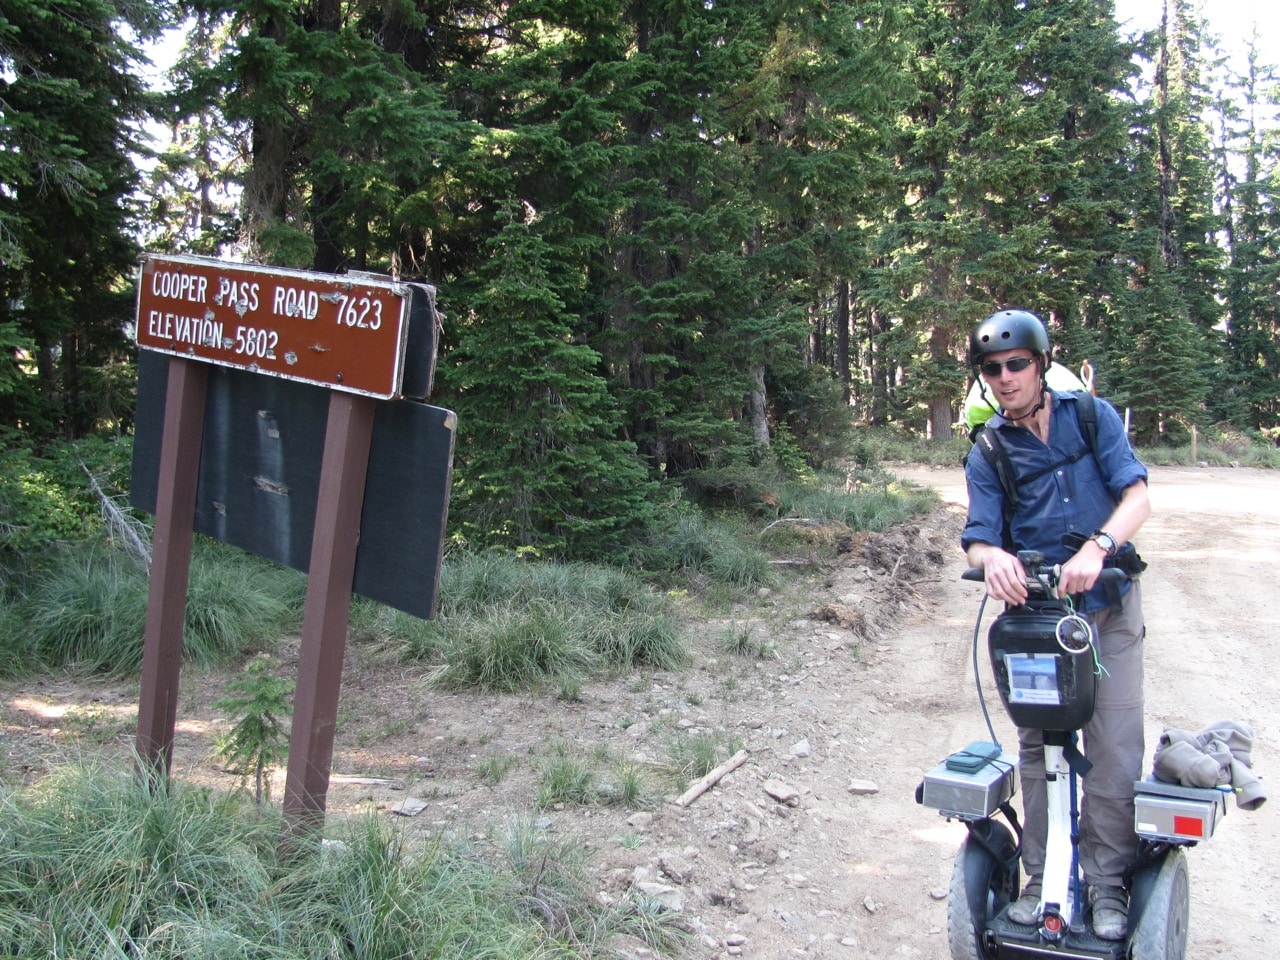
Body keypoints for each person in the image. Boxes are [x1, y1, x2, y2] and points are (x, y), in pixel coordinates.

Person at [960, 309, 1150, 941]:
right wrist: (994, 562)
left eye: (1017, 363)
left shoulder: (1092, 417)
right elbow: (978, 540)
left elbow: (1138, 498)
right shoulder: (987, 452)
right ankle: (1041, 881)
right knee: (1039, 750)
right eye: (993, 368)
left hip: (1107, 610)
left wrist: (1098, 547)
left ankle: (1105, 884)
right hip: (1037, 621)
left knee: (1114, 747)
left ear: (1041, 363)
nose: (1007, 377)